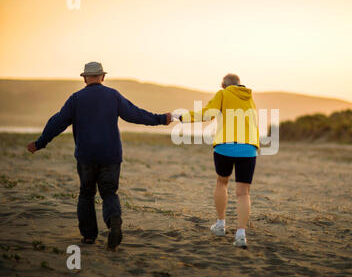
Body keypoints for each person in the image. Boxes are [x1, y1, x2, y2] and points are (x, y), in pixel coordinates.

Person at [27, 61, 172, 250]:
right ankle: (113, 221)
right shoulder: (113, 96)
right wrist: (161, 119)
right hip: (110, 154)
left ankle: (88, 237)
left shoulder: (76, 99)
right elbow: (135, 114)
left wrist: (40, 143)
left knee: (86, 194)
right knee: (109, 192)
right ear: (102, 77)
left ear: (85, 78)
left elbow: (57, 122)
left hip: (86, 155)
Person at [174, 74, 259, 248]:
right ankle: (241, 234)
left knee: (222, 182)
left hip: (225, 146)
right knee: (243, 192)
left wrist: (182, 117)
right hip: (248, 148)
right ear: (239, 84)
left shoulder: (223, 94)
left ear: (223, 86)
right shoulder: (250, 98)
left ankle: (220, 224)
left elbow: (207, 115)